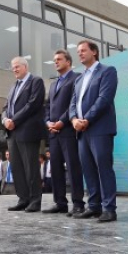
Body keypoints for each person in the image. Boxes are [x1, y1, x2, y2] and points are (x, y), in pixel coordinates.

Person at [69, 40, 118, 223]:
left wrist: (86, 119)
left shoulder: (107, 71)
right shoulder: (79, 78)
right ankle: (94, 206)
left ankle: (109, 209)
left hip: (99, 129)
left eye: (83, 50)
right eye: (78, 51)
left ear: (94, 52)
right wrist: (74, 119)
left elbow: (104, 99)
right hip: (81, 131)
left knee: (104, 168)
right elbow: (73, 103)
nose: (80, 53)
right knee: (88, 169)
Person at [43, 49, 84, 216]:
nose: (56, 62)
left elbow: (74, 104)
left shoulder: (76, 78)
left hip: (67, 130)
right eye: (54, 60)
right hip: (53, 133)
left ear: (68, 61)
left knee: (73, 167)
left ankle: (78, 203)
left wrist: (61, 122)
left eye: (59, 59)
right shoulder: (53, 84)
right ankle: (60, 202)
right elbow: (47, 107)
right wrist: (48, 122)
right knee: (56, 168)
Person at [2, 56, 46, 213]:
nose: (14, 69)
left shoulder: (36, 81)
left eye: (17, 66)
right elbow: (5, 107)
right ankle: (23, 198)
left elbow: (33, 104)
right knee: (17, 168)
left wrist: (14, 120)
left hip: (27, 131)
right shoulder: (13, 86)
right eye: (12, 67)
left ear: (25, 67)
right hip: (12, 132)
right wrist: (5, 119)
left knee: (30, 167)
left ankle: (35, 200)